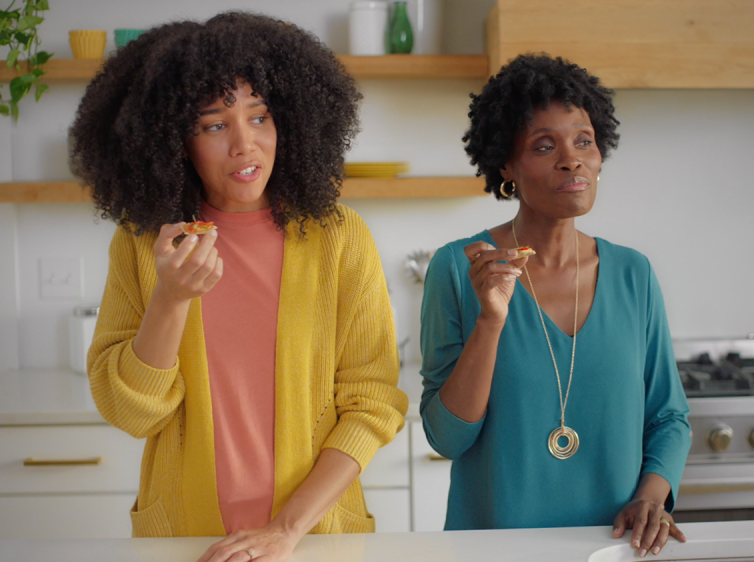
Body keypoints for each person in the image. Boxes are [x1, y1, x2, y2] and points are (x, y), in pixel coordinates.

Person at [70, 12, 407, 562]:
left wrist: (285, 531)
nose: (245, 144)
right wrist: (171, 297)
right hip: (185, 539)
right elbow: (134, 415)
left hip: (313, 538)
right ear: (175, 140)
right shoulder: (142, 244)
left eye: (260, 117)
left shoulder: (339, 238)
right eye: (214, 125)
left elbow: (372, 404)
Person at [419, 54, 691, 558]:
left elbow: (669, 416)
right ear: (507, 165)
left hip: (613, 548)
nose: (573, 159)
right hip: (494, 550)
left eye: (583, 141)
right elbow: (447, 437)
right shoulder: (459, 268)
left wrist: (653, 496)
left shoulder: (634, 274)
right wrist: (491, 320)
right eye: (545, 146)